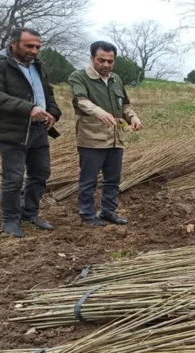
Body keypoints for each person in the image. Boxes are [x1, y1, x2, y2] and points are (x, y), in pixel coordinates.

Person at [0, 27, 61, 238]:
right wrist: (28, 108)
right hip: (12, 131)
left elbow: (47, 93)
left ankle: (30, 213)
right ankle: (10, 220)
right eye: (29, 46)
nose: (34, 51)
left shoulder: (37, 66)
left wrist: (53, 113)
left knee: (41, 173)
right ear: (13, 43)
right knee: (13, 179)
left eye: (38, 47)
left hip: (38, 130)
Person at [68, 41, 142, 227]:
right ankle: (87, 214)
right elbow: (81, 101)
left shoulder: (116, 79)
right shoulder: (79, 77)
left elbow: (124, 105)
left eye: (110, 61)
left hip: (116, 139)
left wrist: (133, 117)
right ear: (92, 58)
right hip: (92, 138)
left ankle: (109, 212)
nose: (106, 65)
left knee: (112, 180)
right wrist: (100, 113)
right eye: (101, 60)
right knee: (89, 180)